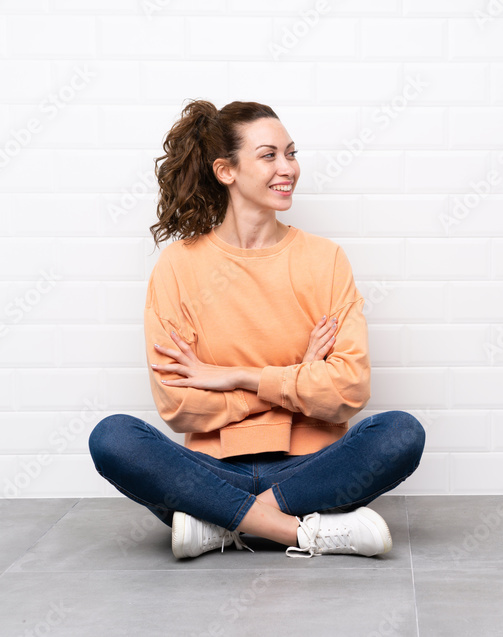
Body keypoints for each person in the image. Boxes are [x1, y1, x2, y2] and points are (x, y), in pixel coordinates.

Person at [88, 99, 425, 560]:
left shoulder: (324, 259)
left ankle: (224, 523)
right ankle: (298, 531)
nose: (287, 167)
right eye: (269, 155)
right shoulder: (179, 267)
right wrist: (295, 378)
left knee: (401, 432)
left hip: (310, 470)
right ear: (226, 171)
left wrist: (237, 377)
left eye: (291, 153)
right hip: (212, 469)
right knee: (113, 437)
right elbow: (178, 405)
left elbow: (349, 388)